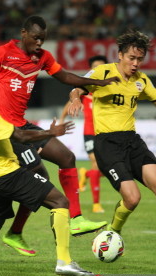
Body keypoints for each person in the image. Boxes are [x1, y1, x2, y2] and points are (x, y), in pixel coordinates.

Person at [0, 15, 118, 256]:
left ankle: (75, 219)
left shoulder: (42, 58)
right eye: (35, 38)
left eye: (43, 39)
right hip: (5, 130)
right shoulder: (3, 53)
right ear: (23, 33)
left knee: (67, 157)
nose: (39, 43)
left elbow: (65, 77)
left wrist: (99, 82)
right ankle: (15, 232)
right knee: (39, 178)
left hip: (23, 124)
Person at [0, 68, 94, 276]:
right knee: (60, 202)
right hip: (9, 174)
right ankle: (64, 262)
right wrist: (51, 132)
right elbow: (21, 136)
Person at [67, 30, 156, 262]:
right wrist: (76, 97)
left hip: (132, 141)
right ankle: (114, 231)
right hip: (107, 144)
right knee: (132, 198)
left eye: (140, 59)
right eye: (131, 58)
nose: (136, 64)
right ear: (120, 56)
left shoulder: (142, 80)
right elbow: (77, 86)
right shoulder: (103, 72)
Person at [59, 55, 108, 214]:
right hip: (90, 133)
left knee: (106, 169)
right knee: (96, 164)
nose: (97, 70)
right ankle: (96, 204)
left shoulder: (109, 88)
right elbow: (70, 102)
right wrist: (61, 119)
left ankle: (85, 174)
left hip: (107, 132)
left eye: (101, 66)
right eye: (95, 67)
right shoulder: (86, 88)